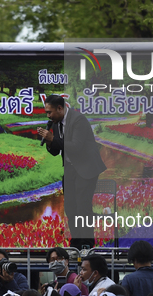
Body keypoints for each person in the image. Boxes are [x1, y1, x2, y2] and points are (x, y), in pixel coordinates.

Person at [37, 95, 106, 250]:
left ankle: (87, 244)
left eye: (50, 112)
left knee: (83, 207)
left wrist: (52, 138)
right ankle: (75, 244)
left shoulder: (78, 120)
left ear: (60, 108)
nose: (48, 115)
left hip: (86, 168)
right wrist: (49, 141)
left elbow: (76, 147)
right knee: (70, 207)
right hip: (70, 168)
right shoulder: (55, 122)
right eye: (46, 112)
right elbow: (55, 151)